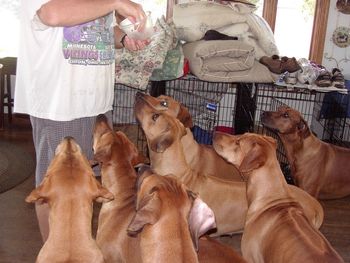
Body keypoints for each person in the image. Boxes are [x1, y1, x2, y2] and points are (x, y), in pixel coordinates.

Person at [14, 0, 149, 242]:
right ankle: (55, 253)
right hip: (60, 103)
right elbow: (51, 14)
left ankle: (77, 248)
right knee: (55, 187)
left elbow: (98, 29)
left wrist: (123, 39)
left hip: (95, 100)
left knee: (86, 184)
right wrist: (116, 2)